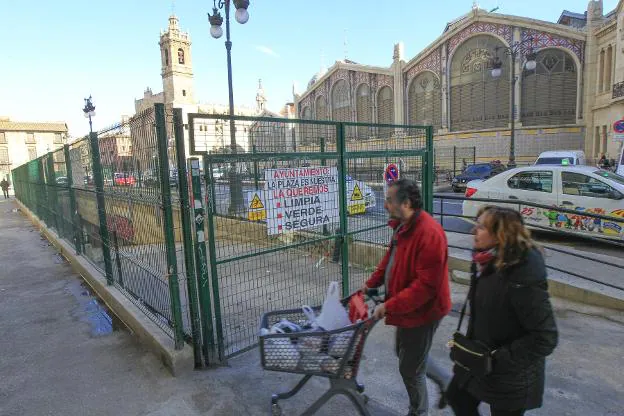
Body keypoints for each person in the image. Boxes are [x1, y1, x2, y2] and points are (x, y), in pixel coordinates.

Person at [446, 206, 558, 416]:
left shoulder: (523, 273)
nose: (473, 232)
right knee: (457, 397)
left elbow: (546, 337)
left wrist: (498, 359)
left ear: (500, 234)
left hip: (510, 376)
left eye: (480, 227)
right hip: (479, 361)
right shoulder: (486, 261)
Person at [362, 179, 452, 416]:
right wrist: (371, 283)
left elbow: (425, 288)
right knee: (405, 355)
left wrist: (389, 305)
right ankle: (446, 380)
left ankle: (418, 411)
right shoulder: (402, 226)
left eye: (389, 200)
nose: (385, 205)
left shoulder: (429, 233)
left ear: (407, 202)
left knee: (410, 368)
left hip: (424, 311)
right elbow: (389, 261)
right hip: (407, 308)